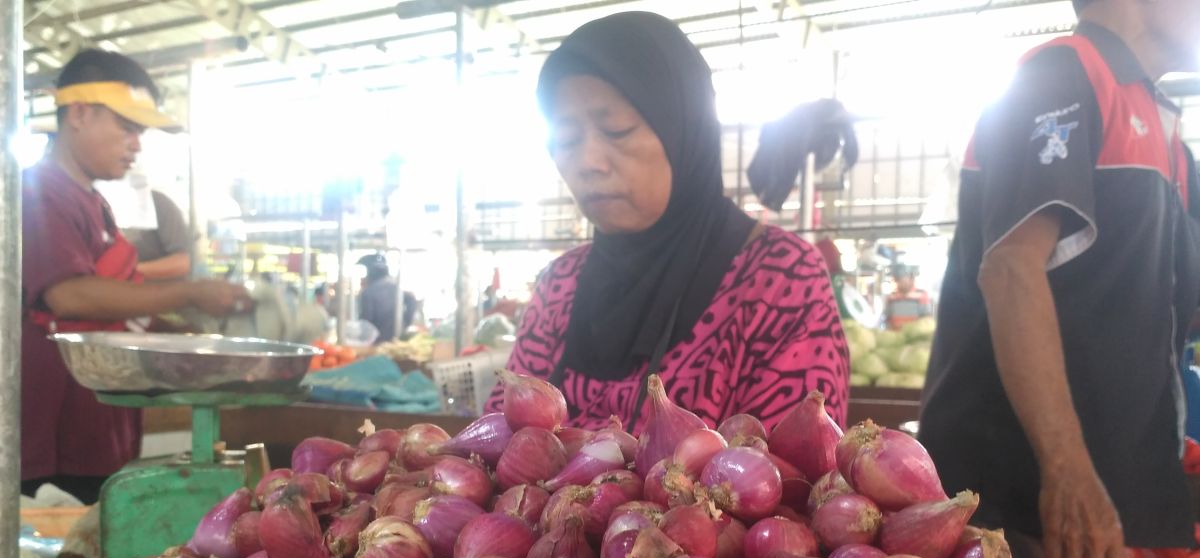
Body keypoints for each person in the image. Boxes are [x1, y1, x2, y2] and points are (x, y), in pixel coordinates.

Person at [919, 0, 1200, 558]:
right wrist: (1067, 470)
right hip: (1026, 513)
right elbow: (1012, 269)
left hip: (1109, 516)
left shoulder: (1161, 122)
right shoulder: (1061, 77)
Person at [486, 12, 848, 431]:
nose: (587, 162)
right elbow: (497, 445)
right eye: (566, 139)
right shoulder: (560, 284)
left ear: (683, 129)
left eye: (617, 129)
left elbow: (795, 475)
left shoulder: (780, 278)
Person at [22, 49, 250, 504]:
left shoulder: (94, 202)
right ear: (80, 114)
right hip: (55, 444)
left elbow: (120, 310)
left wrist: (189, 337)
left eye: (140, 131)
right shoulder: (40, 193)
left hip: (98, 433)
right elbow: (69, 295)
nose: (137, 143)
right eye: (127, 127)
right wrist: (189, 293)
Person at [124, 189, 193, 281]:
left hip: (158, 291)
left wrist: (128, 272)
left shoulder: (156, 202)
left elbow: (182, 263)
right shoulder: (101, 206)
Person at [358, 253, 417, 343]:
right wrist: (406, 323)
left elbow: (366, 322)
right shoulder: (396, 288)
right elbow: (412, 299)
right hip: (397, 338)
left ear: (370, 273)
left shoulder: (368, 293)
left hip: (377, 342)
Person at [883, 263, 932, 331]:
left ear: (911, 278)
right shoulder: (891, 297)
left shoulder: (921, 295)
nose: (899, 283)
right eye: (897, 280)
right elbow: (887, 319)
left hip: (915, 337)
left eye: (901, 279)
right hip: (896, 337)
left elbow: (927, 320)